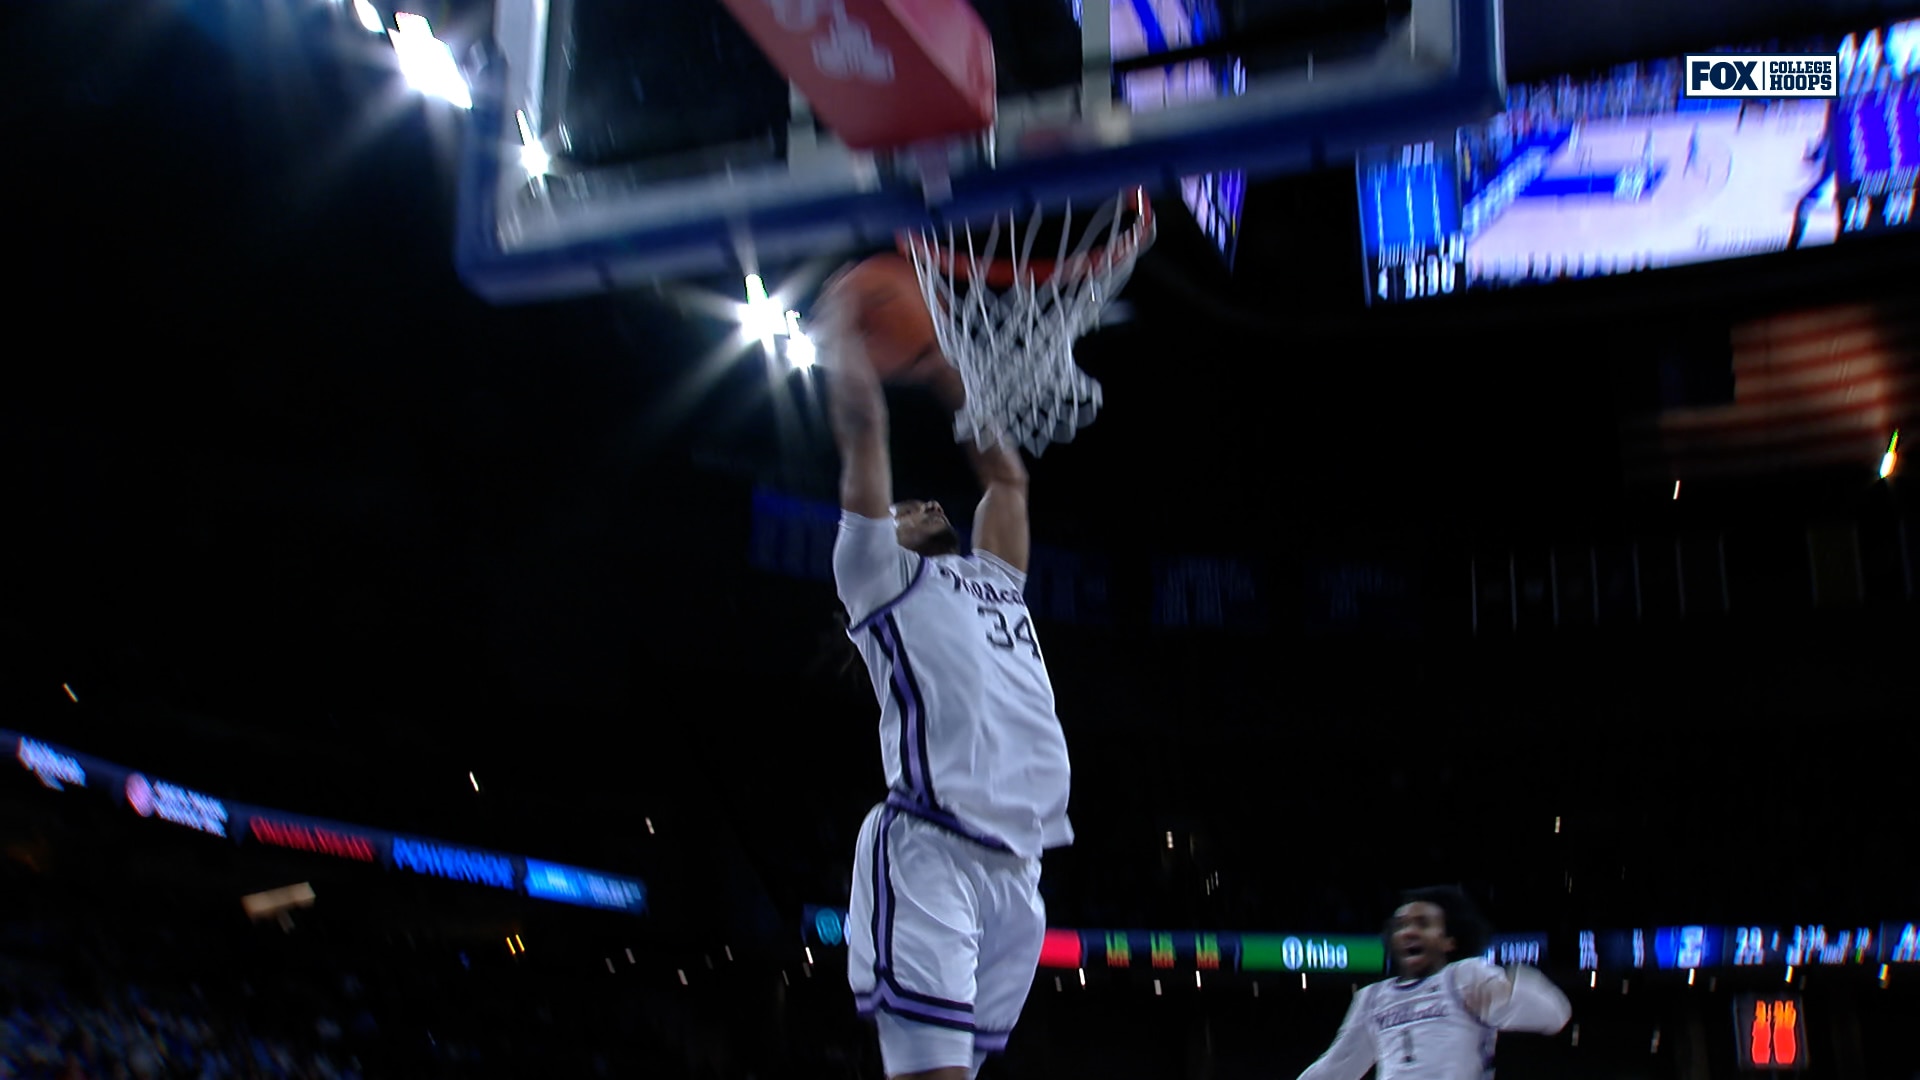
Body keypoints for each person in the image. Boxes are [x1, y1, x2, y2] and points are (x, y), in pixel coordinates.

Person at [817, 294, 1072, 1080]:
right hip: (931, 847)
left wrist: (954, 384)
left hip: (1020, 870)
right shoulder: (877, 577)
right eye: (904, 506)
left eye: (927, 499)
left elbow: (1009, 484)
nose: (923, 501)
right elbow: (864, 430)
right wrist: (842, 341)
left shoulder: (992, 577)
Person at [1294, 886, 1571, 1079]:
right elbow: (1337, 1067)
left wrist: (1511, 996)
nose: (1409, 931)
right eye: (1401, 925)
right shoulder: (1371, 999)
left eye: (1422, 924)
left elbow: (1554, 1015)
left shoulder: (1464, 976)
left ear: (1449, 940)